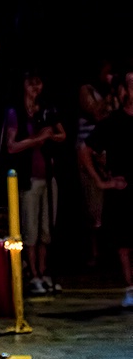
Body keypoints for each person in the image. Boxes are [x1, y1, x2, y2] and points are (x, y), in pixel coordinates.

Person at [6, 70, 67, 295]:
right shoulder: (16, 113)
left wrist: (49, 137)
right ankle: (33, 273)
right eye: (31, 84)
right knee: (30, 229)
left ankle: (43, 270)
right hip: (28, 177)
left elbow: (62, 134)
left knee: (45, 228)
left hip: (48, 176)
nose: (35, 89)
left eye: (38, 84)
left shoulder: (46, 110)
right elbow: (11, 146)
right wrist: (36, 140)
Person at [79, 70, 133, 307]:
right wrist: (102, 181)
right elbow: (85, 149)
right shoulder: (114, 122)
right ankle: (130, 287)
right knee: (124, 243)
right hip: (123, 189)